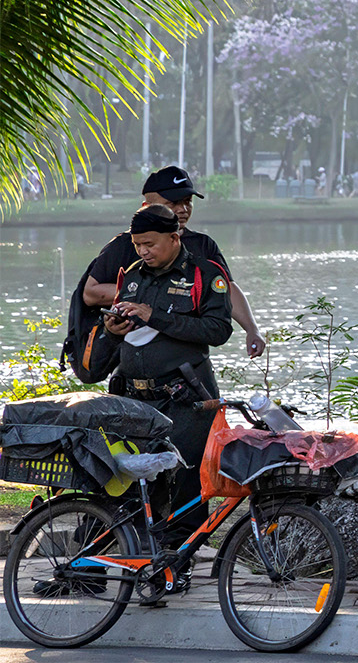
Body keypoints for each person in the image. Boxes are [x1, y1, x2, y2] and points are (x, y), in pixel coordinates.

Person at [70, 204, 233, 546]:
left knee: (185, 484)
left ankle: (175, 566)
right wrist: (113, 330)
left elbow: (218, 330)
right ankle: (92, 567)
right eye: (137, 244)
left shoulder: (204, 273)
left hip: (186, 398)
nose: (143, 251)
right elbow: (119, 334)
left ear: (174, 238)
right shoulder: (130, 275)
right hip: (134, 397)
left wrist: (154, 315)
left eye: (150, 244)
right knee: (118, 478)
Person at [72, 166, 266, 359]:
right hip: (132, 357)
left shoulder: (203, 245)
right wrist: (143, 298)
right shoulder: (124, 245)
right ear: (146, 206)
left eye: (187, 202)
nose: (182, 209)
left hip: (185, 358)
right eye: (172, 203)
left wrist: (252, 330)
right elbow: (91, 293)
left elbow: (227, 289)